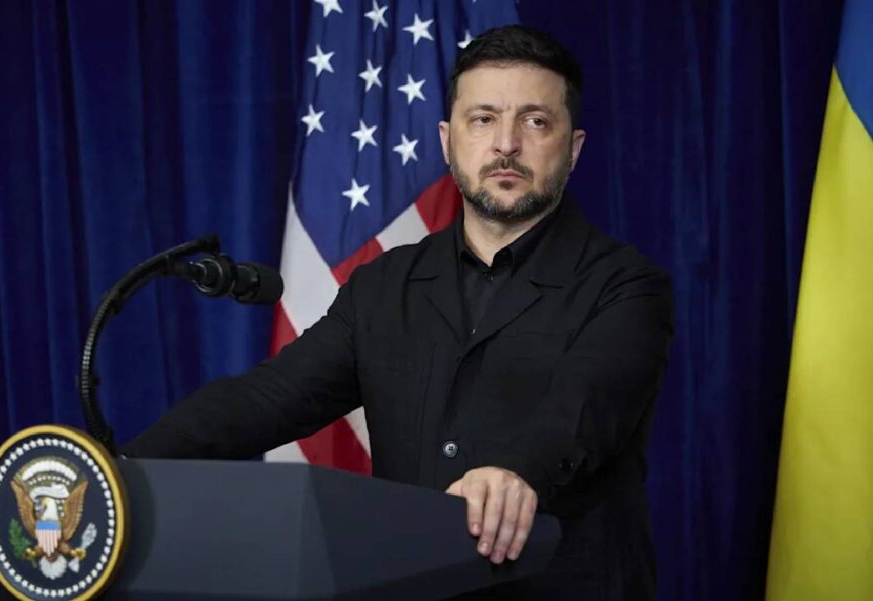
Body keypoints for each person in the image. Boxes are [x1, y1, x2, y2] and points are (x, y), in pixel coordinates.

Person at [124, 24, 673, 600]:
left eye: (535, 121)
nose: (506, 143)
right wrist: (124, 466)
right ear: (447, 141)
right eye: (483, 119)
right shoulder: (383, 286)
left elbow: (581, 409)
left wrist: (516, 473)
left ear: (574, 148)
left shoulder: (628, 287)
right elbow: (266, 399)